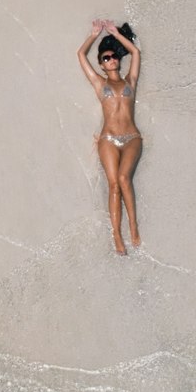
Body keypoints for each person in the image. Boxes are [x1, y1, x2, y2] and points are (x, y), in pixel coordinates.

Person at [77, 19, 141, 255]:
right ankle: (117, 235)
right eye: (105, 58)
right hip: (108, 139)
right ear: (101, 65)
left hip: (132, 137)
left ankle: (133, 225)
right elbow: (81, 54)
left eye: (113, 56)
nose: (110, 59)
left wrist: (115, 33)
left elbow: (135, 51)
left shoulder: (130, 81)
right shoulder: (98, 82)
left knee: (124, 178)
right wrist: (94, 35)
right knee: (114, 185)